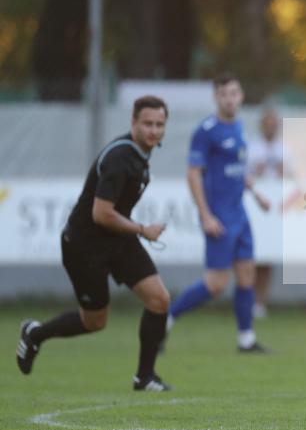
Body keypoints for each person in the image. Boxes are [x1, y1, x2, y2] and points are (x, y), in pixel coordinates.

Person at [16, 96, 174, 391]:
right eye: (148, 123)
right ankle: (35, 334)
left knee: (159, 299)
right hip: (84, 245)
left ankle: (145, 377)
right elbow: (101, 214)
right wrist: (142, 229)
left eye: (160, 124)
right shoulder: (120, 159)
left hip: (116, 240)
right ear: (133, 124)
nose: (154, 130)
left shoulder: (140, 156)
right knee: (95, 322)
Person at [167, 73, 271, 352]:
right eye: (224, 94)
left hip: (240, 213)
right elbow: (193, 174)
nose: (229, 98)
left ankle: (246, 339)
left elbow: (238, 172)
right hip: (220, 217)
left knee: (247, 273)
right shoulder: (206, 131)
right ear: (216, 97)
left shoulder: (238, 127)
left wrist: (257, 194)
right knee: (215, 284)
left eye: (234, 93)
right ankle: (166, 319)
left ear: (241, 96)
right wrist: (206, 215)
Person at [246, 107, 292, 318]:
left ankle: (259, 303)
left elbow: (296, 177)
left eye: (274, 124)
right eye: (267, 124)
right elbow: (242, 175)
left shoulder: (285, 150)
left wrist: (285, 174)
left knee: (267, 258)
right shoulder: (251, 149)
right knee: (248, 256)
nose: (271, 128)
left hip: (275, 209)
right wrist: (257, 172)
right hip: (253, 207)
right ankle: (245, 298)